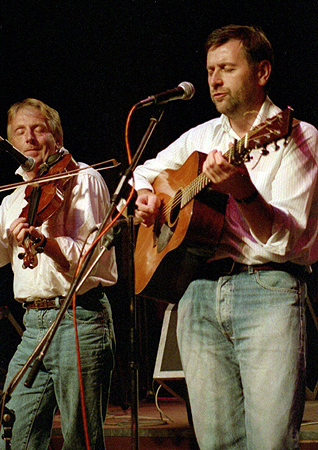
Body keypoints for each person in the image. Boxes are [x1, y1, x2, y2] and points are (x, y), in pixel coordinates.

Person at [133, 25, 318, 449]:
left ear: (262, 72)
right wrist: (147, 199)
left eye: (227, 69)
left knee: (270, 440)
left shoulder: (295, 137)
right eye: (210, 70)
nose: (214, 80)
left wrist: (243, 192)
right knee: (215, 441)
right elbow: (145, 172)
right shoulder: (201, 137)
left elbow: (286, 241)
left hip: (268, 287)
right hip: (197, 293)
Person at [0, 98, 117, 450]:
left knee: (81, 441)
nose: (30, 138)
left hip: (79, 318)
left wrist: (46, 242)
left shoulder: (83, 180)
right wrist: (9, 234)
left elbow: (93, 260)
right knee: (14, 434)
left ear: (57, 135)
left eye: (38, 128)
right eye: (20, 131)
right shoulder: (13, 199)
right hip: (33, 325)